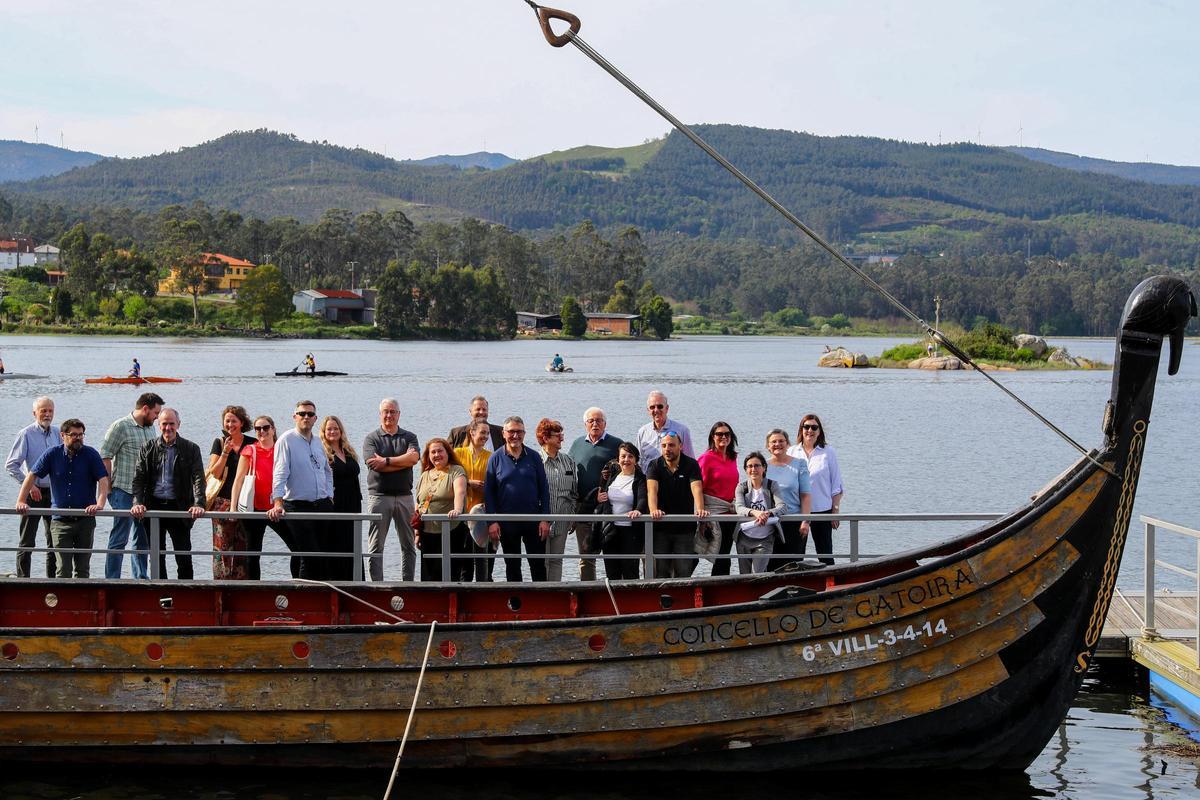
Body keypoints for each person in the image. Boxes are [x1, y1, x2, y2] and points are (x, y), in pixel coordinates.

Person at [15, 418, 109, 578]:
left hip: (85, 520)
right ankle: (64, 602)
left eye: (81, 435)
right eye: (73, 435)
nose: (78, 438)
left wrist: (99, 504)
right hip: (60, 521)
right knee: (63, 569)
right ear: (63, 435)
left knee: (82, 569)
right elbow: (32, 475)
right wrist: (21, 500)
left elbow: (103, 480)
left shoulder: (91, 454)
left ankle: (81, 602)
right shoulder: (52, 454)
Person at [130, 408, 206, 579]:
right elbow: (138, 479)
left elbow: (198, 479)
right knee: (157, 557)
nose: (168, 428)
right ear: (159, 424)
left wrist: (199, 504)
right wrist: (137, 503)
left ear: (178, 424)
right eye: (164, 424)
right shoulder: (148, 448)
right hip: (154, 507)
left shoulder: (191, 448)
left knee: (183, 555)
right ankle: (162, 598)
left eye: (171, 424)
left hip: (179, 508)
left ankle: (186, 595)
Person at [267, 400, 334, 580]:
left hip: (321, 505)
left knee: (321, 553)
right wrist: (278, 502)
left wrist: (330, 496)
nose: (306, 417)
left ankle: (322, 595)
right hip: (297, 505)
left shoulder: (319, 442)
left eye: (310, 414)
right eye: (302, 414)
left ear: (315, 419)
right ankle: (303, 596)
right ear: (294, 416)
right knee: (308, 554)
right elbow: (280, 473)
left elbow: (327, 471)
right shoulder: (287, 440)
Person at [101, 391, 164, 579]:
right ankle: (112, 579)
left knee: (142, 539)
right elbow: (105, 455)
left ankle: (140, 578)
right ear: (145, 408)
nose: (157, 417)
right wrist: (108, 488)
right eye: (155, 413)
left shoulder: (150, 428)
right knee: (119, 538)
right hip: (123, 490)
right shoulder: (121, 426)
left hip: (145, 494)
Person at [484, 416, 551, 582]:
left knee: (537, 565)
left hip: (533, 520)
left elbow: (544, 489)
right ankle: (515, 604)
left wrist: (545, 519)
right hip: (507, 522)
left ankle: (541, 604)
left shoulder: (534, 457)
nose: (515, 435)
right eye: (511, 431)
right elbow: (489, 492)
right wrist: (491, 521)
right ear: (504, 433)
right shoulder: (495, 458)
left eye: (519, 432)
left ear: (524, 433)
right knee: (512, 566)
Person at [363, 398, 421, 581]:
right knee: (375, 546)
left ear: (399, 414)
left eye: (393, 412)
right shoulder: (371, 438)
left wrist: (387, 461)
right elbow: (374, 465)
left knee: (409, 546)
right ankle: (376, 586)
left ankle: (408, 584)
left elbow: (413, 459)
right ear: (380, 414)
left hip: (405, 497)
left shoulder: (409, 437)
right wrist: (402, 462)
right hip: (379, 497)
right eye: (386, 412)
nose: (389, 415)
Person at [6, 396, 61, 577]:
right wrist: (29, 486)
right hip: (33, 494)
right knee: (27, 541)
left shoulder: (57, 433)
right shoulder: (26, 434)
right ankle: (23, 580)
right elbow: (11, 465)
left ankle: (52, 581)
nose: (47, 414)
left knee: (53, 541)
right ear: (34, 413)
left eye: (50, 411)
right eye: (43, 410)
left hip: (53, 494)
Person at [229, 415, 289, 580]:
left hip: (276, 508)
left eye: (266, 427)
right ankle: (254, 588)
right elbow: (238, 480)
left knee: (296, 546)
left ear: (273, 429)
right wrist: (233, 509)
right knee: (253, 553)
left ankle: (297, 583)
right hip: (254, 509)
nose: (262, 431)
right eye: (258, 429)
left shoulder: (281, 449)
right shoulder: (250, 450)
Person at [567, 407, 623, 582]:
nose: (595, 424)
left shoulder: (616, 444)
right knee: (586, 556)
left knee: (612, 554)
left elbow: (627, 472)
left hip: (608, 509)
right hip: (584, 507)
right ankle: (587, 589)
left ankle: (615, 588)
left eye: (599, 420)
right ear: (585, 424)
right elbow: (570, 471)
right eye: (591, 421)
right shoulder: (577, 444)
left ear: (605, 424)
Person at [646, 430, 708, 579]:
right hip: (661, 527)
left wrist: (700, 509)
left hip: (684, 528)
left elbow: (696, 488)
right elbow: (651, 490)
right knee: (660, 571)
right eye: (664, 445)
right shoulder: (654, 465)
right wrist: (654, 510)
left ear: (680, 446)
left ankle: (684, 600)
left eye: (672, 445)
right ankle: (660, 599)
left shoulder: (691, 464)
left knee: (684, 570)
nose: (668, 449)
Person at [788, 414, 844, 566]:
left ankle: (831, 585)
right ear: (801, 429)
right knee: (796, 555)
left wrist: (835, 511)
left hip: (822, 510)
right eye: (806, 427)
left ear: (819, 431)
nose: (810, 430)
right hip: (798, 511)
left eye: (814, 427)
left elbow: (836, 484)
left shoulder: (828, 452)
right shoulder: (792, 452)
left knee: (825, 554)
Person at [206, 405, 255, 580]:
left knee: (243, 545)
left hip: (245, 502)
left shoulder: (251, 443)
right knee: (222, 547)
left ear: (242, 422)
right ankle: (221, 583)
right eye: (227, 421)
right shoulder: (219, 442)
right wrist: (225, 453)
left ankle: (242, 584)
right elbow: (215, 473)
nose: (230, 424)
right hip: (222, 502)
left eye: (234, 420)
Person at [414, 438, 470, 581]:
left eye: (440, 451)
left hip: (450, 529)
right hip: (427, 531)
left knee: (449, 572)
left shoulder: (456, 471)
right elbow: (418, 503)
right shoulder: (425, 474)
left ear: (448, 453)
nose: (436, 455)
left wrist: (457, 509)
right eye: (433, 452)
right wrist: (417, 533)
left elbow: (460, 492)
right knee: (429, 575)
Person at [593, 441, 647, 580]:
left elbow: (642, 498)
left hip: (629, 531)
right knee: (612, 572)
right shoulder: (613, 477)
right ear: (618, 459)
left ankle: (631, 601)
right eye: (623, 456)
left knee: (630, 570)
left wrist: (638, 510)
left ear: (636, 460)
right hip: (610, 529)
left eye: (630, 456)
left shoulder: (640, 479)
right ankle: (613, 600)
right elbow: (603, 495)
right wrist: (599, 498)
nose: (626, 460)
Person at [453, 419, 496, 581]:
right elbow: (451, 478)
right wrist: (469, 483)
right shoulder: (458, 453)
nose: (485, 436)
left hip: (482, 515)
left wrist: (485, 489)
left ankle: (484, 595)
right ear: (472, 432)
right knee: (465, 563)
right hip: (462, 515)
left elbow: (495, 485)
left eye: (487, 433)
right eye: (482, 432)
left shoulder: (491, 457)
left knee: (483, 562)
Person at [536, 418, 578, 582]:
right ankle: (543, 597)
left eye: (562, 434)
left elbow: (574, 492)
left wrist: (572, 517)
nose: (561, 438)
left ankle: (556, 594)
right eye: (557, 435)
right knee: (542, 561)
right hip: (541, 522)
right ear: (545, 438)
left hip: (562, 520)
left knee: (556, 561)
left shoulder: (568, 461)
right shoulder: (535, 461)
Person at [320, 415, 361, 581]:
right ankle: (336, 580)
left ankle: (355, 579)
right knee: (336, 541)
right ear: (324, 432)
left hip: (353, 502)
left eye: (336, 428)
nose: (333, 432)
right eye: (329, 429)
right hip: (335, 503)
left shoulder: (348, 450)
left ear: (341, 431)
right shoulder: (322, 452)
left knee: (353, 541)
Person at [765, 429, 813, 570]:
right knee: (770, 566)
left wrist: (805, 521)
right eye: (773, 441)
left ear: (787, 444)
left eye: (781, 441)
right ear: (768, 446)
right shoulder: (763, 466)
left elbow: (805, 495)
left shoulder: (799, 464)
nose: (777, 444)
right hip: (770, 522)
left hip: (793, 522)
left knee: (793, 566)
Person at [697, 421, 740, 576]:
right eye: (719, 434)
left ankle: (720, 588)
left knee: (724, 555)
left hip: (730, 513)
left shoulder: (732, 457)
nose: (723, 437)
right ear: (712, 437)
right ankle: (681, 584)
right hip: (713, 512)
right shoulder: (706, 458)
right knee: (700, 551)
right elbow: (697, 488)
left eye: (727, 434)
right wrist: (702, 514)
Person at [734, 451, 787, 574]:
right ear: (746, 469)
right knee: (744, 575)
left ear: (764, 467)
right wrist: (755, 512)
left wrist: (768, 513)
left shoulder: (772, 485)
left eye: (757, 465)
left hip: (765, 539)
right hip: (744, 538)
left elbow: (782, 506)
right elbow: (739, 508)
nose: (753, 469)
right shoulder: (742, 487)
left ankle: (758, 593)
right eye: (750, 466)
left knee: (757, 573)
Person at [635, 391, 694, 471]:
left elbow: (690, 462)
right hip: (648, 480)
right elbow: (638, 461)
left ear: (667, 408)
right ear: (648, 410)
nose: (656, 410)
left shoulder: (682, 431)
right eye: (652, 407)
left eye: (659, 406)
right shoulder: (642, 432)